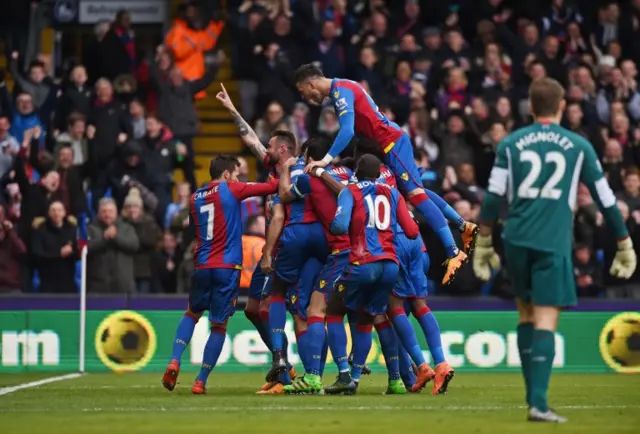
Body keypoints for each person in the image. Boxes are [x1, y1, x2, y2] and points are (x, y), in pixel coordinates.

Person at [473, 77, 637, 423]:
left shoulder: (511, 144)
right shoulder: (578, 145)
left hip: (515, 239)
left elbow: (491, 198)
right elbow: (606, 199)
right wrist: (624, 242)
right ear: (562, 106)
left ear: (530, 107)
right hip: (552, 242)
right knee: (546, 319)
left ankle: (533, 398)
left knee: (526, 316)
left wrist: (484, 241)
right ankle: (538, 404)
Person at [292, 64, 473, 285]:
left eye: (303, 92)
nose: (306, 97)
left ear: (311, 83)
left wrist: (325, 159)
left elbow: (348, 131)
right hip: (390, 145)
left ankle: (453, 251)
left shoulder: (340, 90)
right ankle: (463, 225)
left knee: (416, 195)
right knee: (418, 192)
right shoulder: (344, 87)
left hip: (391, 144)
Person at [162, 155, 279, 395]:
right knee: (218, 326)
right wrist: (277, 170)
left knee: (192, 313)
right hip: (227, 268)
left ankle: (175, 360)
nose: (238, 178)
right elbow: (272, 187)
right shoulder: (231, 188)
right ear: (226, 174)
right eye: (236, 174)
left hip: (202, 264)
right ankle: (200, 381)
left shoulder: (195, 198)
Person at [303, 153, 419, 395]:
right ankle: (369, 379)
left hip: (363, 261)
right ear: (379, 174)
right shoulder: (393, 192)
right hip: (390, 265)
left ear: (357, 172)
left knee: (334, 311)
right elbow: (410, 231)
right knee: (369, 318)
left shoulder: (351, 191)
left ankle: (344, 374)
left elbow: (339, 226)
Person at [277, 138, 354, 394]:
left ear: (310, 159)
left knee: (314, 311)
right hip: (364, 249)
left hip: (339, 251)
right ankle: (398, 377)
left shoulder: (308, 179)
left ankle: (313, 377)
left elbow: (284, 196)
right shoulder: (347, 175)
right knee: (367, 314)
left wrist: (285, 170)